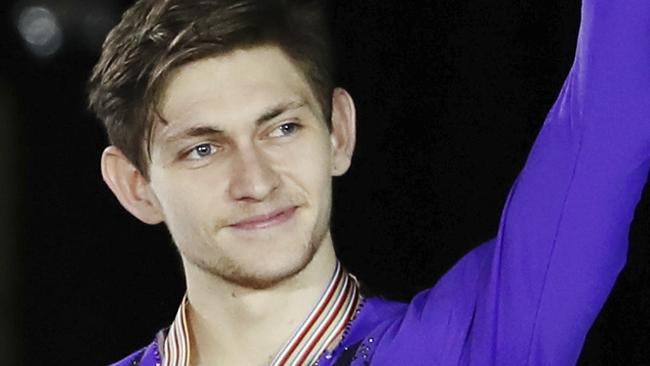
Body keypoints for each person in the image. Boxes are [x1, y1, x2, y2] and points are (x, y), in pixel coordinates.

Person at [88, 0, 650, 365]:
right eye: (204, 149)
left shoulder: (469, 346)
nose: (255, 182)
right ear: (136, 185)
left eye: (282, 128)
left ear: (339, 132)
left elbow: (605, 131)